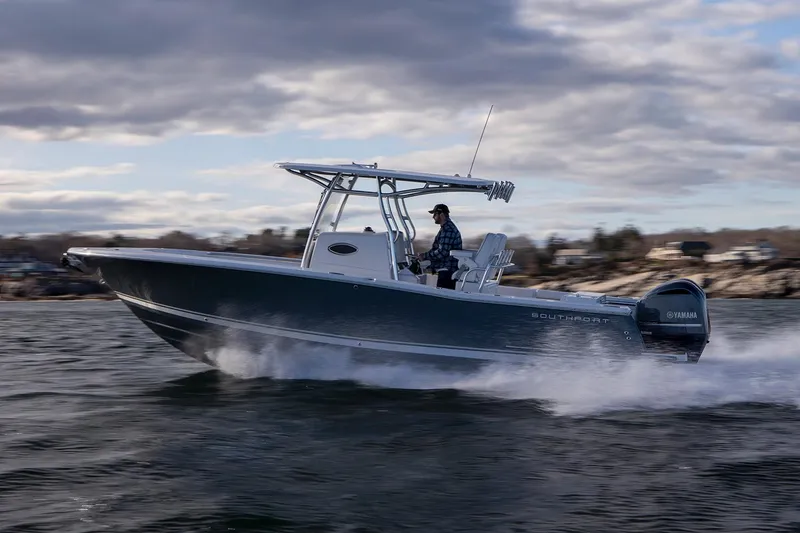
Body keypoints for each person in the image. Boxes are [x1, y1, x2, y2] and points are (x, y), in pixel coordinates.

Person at [416, 203, 462, 289]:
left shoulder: (448, 230)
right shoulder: (446, 228)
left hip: (447, 272)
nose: (433, 217)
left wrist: (425, 256)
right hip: (446, 271)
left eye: (435, 214)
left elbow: (442, 252)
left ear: (441, 215)